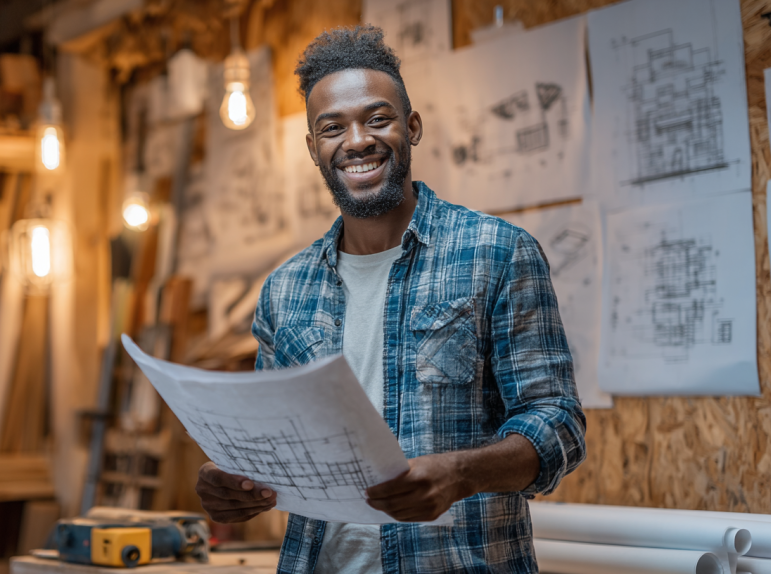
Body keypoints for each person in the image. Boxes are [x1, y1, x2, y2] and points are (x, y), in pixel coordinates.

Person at [193, 25, 586, 573]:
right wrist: (226, 478)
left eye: (377, 119)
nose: (356, 141)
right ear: (314, 148)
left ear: (412, 127)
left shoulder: (497, 253)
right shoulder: (285, 291)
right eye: (332, 128)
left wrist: (460, 474)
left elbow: (558, 423)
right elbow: (272, 447)